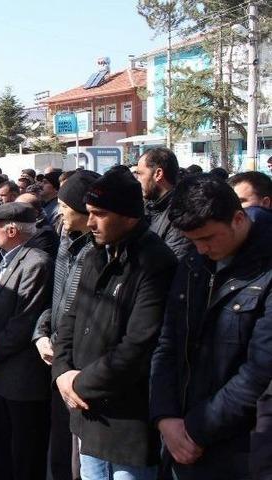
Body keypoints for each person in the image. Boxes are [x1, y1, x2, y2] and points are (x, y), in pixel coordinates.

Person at [52, 167, 177, 480]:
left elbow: (138, 346)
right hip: (87, 414)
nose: (90, 222)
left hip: (127, 423)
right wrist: (62, 372)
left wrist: (78, 384)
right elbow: (70, 319)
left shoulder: (154, 262)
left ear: (129, 216)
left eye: (100, 214)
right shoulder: (96, 254)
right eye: (89, 213)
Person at [150, 174, 272, 480]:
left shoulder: (266, 271)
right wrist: (164, 416)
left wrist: (194, 429)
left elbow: (259, 372)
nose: (201, 249)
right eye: (193, 241)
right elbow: (168, 342)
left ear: (239, 219)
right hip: (178, 437)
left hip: (241, 447)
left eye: (208, 238)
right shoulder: (193, 264)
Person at [0, 202, 53, 480]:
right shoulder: (6, 258)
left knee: (25, 453)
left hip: (23, 377)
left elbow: (25, 320)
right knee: (0, 444)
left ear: (11, 230)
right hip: (2, 372)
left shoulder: (36, 263)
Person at [32, 170, 99, 480]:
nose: (58, 212)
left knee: (79, 458)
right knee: (59, 449)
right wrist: (41, 333)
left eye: (64, 205)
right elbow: (53, 298)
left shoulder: (97, 252)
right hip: (54, 357)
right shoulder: (64, 238)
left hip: (78, 365)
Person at [134, 147, 192, 259]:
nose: (137, 180)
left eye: (140, 174)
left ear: (158, 174)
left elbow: (171, 264)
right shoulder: (146, 208)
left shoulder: (181, 214)